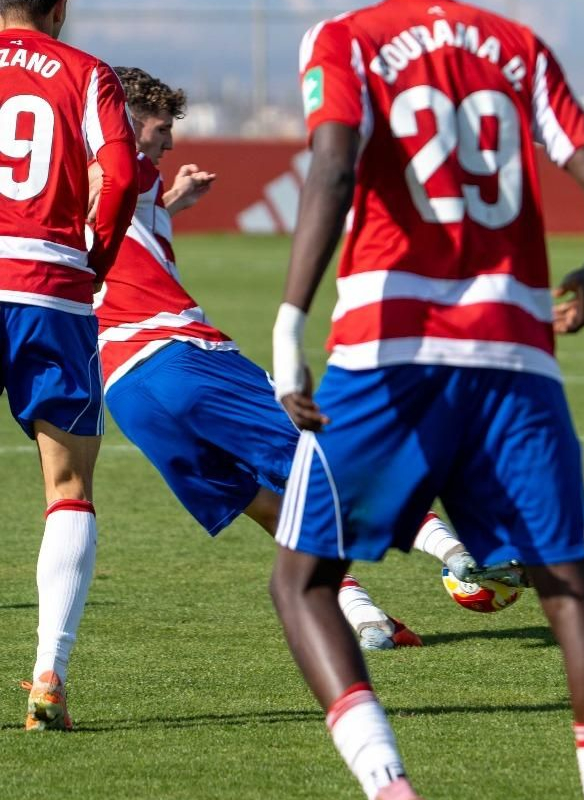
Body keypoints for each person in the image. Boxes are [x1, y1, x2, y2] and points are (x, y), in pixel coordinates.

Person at [272, 0, 584, 800]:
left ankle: (391, 794)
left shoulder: (345, 38)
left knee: (303, 579)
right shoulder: (519, 48)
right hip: (516, 351)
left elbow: (336, 168)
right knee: (570, 588)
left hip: (387, 350)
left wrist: (290, 317)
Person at [93, 66, 477, 651]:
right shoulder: (117, 156)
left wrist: (171, 202)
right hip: (181, 355)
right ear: (124, 121)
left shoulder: (79, 189)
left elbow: (117, 223)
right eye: (161, 130)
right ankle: (460, 554)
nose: (168, 144)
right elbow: (117, 177)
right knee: (328, 457)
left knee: (263, 502)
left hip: (123, 387)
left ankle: (363, 616)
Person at [0, 0, 139, 731]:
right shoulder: (87, 74)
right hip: (49, 287)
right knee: (68, 488)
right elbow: (117, 177)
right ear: (61, 7)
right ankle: (49, 673)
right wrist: (96, 256)